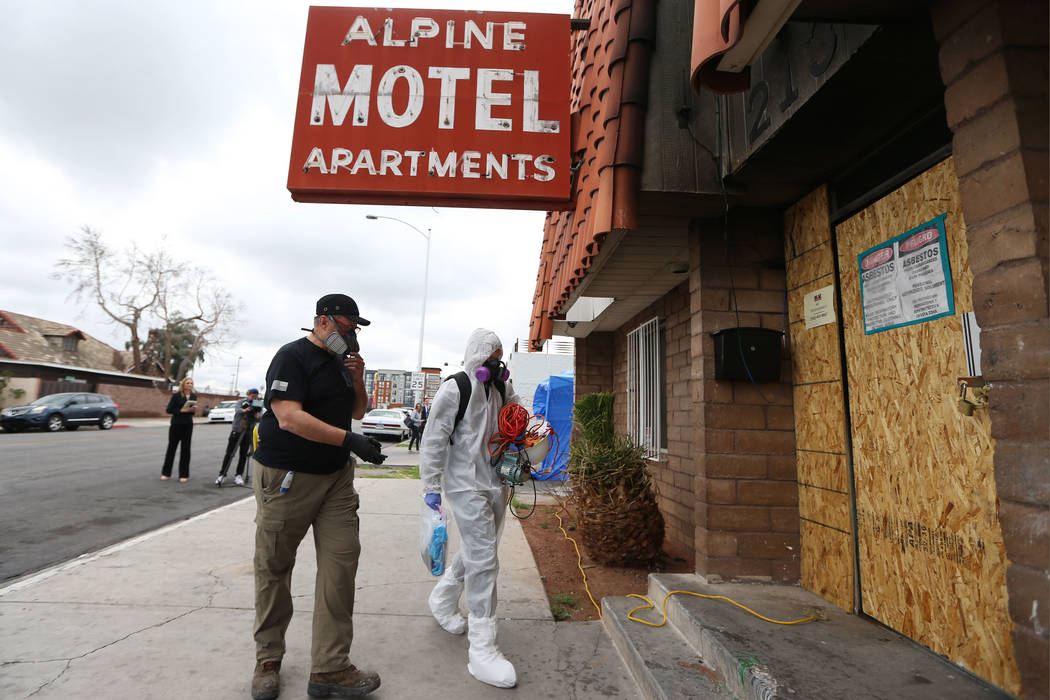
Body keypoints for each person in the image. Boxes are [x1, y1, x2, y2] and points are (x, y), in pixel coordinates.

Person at [249, 294, 387, 700]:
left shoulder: (342, 365)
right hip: (288, 475)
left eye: (357, 329)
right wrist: (350, 440)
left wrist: (359, 378)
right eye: (348, 327)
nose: (353, 335)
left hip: (336, 479)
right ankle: (268, 659)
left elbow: (359, 412)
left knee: (340, 566)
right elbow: (288, 416)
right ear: (324, 322)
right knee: (274, 567)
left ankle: (330, 668)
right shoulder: (292, 357)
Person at [420, 328, 521, 689]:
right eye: (490, 358)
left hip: (495, 482)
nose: (496, 364)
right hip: (464, 484)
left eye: (500, 358)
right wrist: (431, 488)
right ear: (478, 358)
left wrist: (533, 428)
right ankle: (483, 650)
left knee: (482, 550)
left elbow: (519, 414)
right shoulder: (455, 388)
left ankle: (443, 598)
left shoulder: (501, 389)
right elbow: (433, 440)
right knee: (484, 559)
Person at [215, 388, 263, 486]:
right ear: (248, 394)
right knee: (229, 453)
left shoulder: (258, 403)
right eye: (252, 395)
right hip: (237, 431)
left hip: (248, 431)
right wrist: (245, 409)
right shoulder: (242, 402)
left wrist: (257, 415)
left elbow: (260, 415)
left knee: (243, 455)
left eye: (256, 395)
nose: (254, 397)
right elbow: (237, 410)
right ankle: (222, 475)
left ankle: (239, 475)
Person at [161, 377, 197, 482]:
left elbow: (192, 411)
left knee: (186, 450)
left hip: (188, 425)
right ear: (183, 384)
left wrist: (192, 410)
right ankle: (166, 473)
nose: (190, 385)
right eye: (188, 383)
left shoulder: (193, 396)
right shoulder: (176, 396)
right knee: (171, 448)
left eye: (191, 383)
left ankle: (184, 475)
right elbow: (169, 410)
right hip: (176, 424)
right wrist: (181, 410)